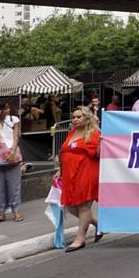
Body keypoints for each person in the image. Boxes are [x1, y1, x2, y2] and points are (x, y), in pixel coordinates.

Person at [55, 107, 102, 252]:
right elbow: (64, 152)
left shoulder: (94, 134)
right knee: (70, 206)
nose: (75, 120)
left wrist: (103, 143)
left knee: (83, 207)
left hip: (86, 173)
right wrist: (60, 170)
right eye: (74, 117)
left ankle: (80, 239)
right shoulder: (72, 133)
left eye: (79, 117)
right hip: (70, 175)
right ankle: (100, 224)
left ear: (87, 118)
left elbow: (99, 154)